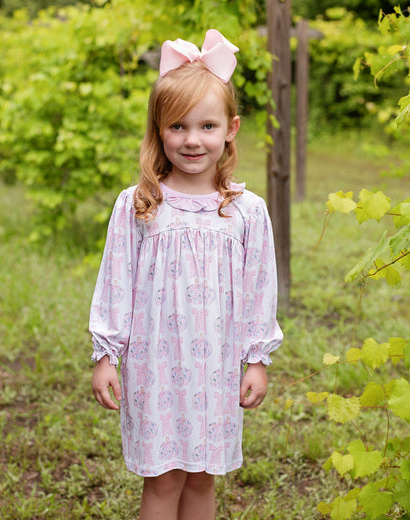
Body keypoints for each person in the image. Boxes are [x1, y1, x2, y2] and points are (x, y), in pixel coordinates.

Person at [90, 29, 283, 520]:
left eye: (207, 126)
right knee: (164, 479)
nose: (192, 139)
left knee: (202, 478)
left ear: (231, 128)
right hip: (154, 367)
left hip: (215, 369)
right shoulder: (139, 205)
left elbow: (261, 290)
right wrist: (106, 354)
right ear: (158, 131)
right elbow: (115, 283)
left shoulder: (246, 212)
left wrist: (256, 359)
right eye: (176, 126)